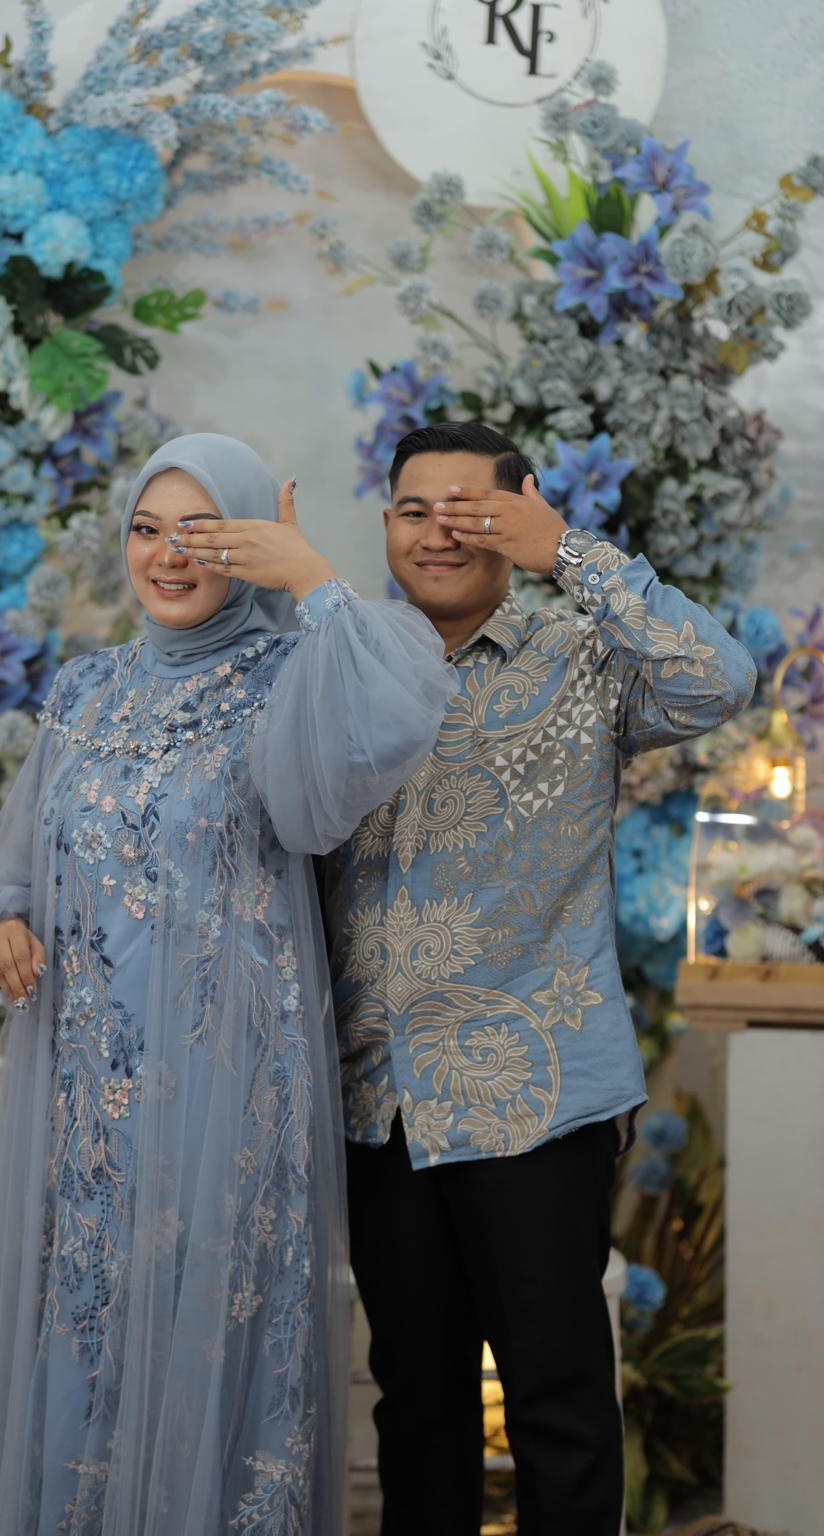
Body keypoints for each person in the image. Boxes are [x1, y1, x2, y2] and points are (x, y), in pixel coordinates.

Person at [0, 432, 455, 1536]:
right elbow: (20, 861)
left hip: (228, 1091)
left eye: (202, 533)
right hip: (88, 1098)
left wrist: (311, 578)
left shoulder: (291, 680)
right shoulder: (84, 690)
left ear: (247, 542)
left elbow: (399, 717)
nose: (168, 556)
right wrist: (2, 920)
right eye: (147, 530)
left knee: (208, 1343)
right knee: (82, 1340)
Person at [319, 421, 757, 1536]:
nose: (438, 533)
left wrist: (569, 553)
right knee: (417, 1410)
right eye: (414, 511)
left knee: (559, 1403)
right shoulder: (340, 668)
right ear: (385, 525)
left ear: (517, 515)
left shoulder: (580, 662)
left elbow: (719, 680)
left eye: (469, 511)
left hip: (538, 1095)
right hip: (381, 1101)